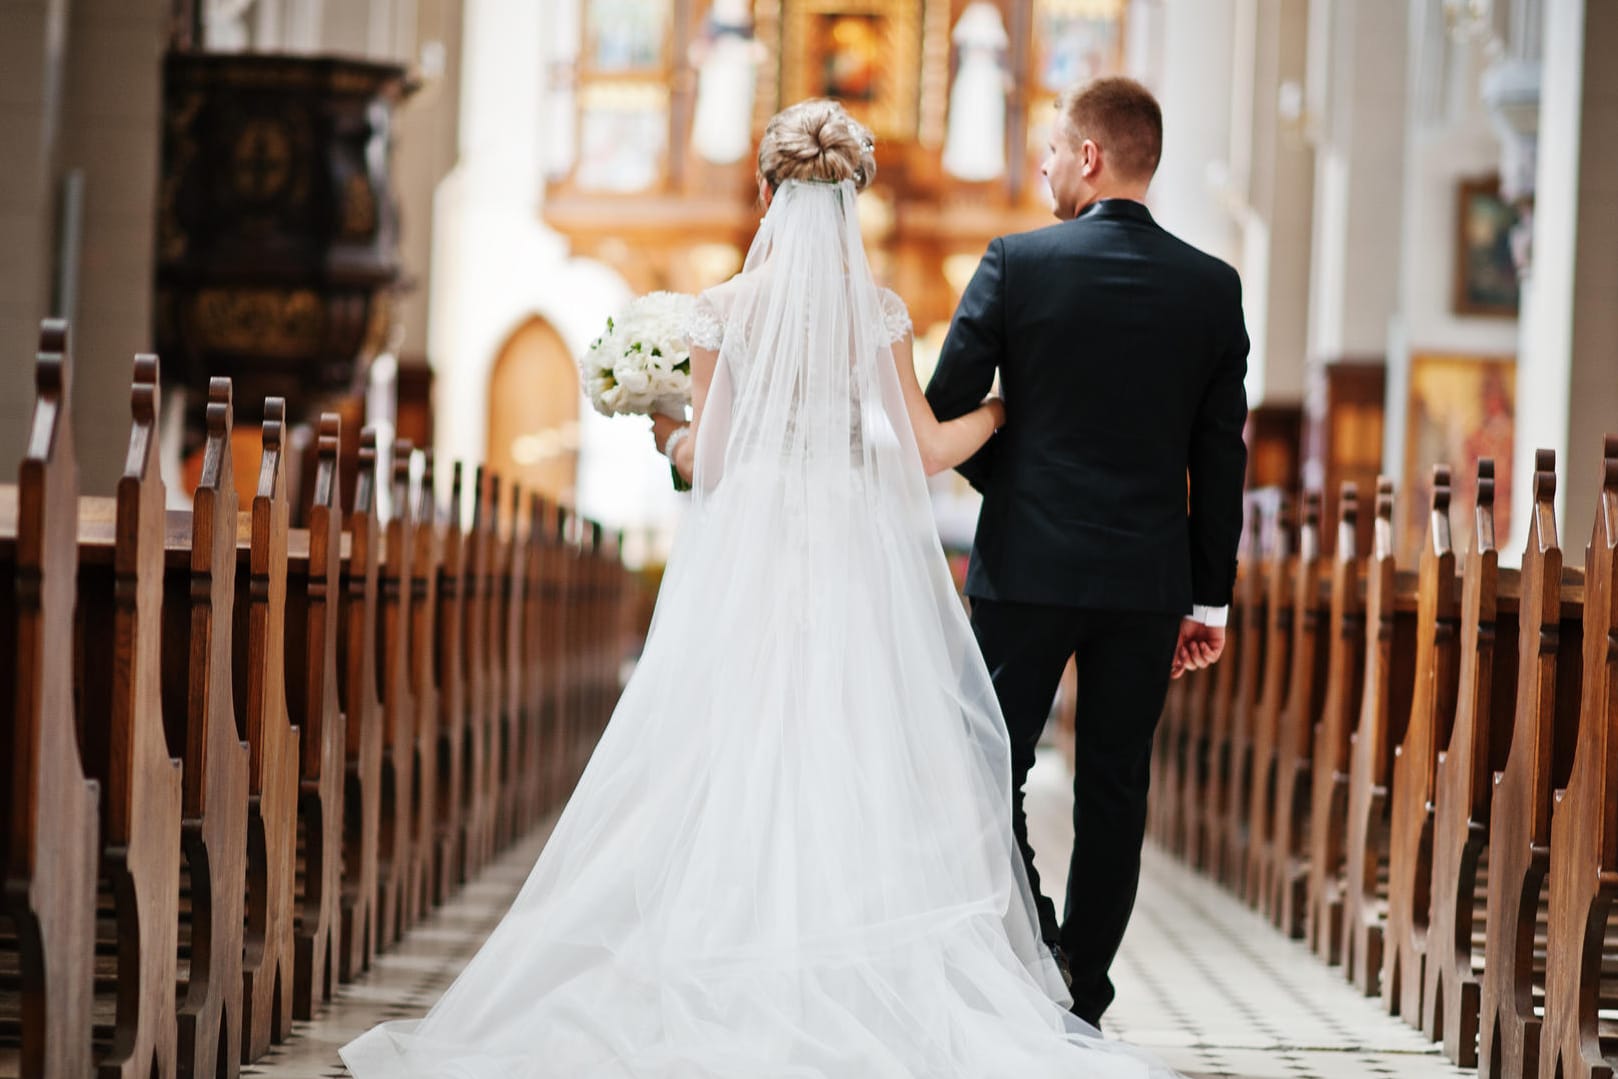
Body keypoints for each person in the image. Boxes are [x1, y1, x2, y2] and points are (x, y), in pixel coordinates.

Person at [341, 98, 1180, 1077]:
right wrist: (1005, 409)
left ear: (764, 192)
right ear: (850, 201)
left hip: (758, 548)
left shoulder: (724, 306)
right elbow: (921, 450)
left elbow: (717, 460)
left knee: (739, 746)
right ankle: (858, 967)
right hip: (850, 551)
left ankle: (724, 947)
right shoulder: (877, 311)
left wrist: (666, 429)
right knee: (852, 745)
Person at [925, 76, 1249, 1028]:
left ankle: (1032, 946)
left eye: (1055, 150)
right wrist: (1209, 599)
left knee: (991, 765)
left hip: (1026, 567)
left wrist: (1019, 485)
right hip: (1147, 584)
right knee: (1114, 784)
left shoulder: (1017, 263)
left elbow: (947, 410)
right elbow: (1218, 456)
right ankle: (1083, 991)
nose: (1045, 166)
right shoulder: (1211, 286)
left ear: (1092, 157)